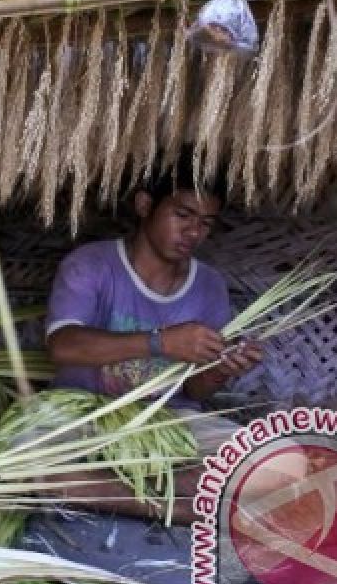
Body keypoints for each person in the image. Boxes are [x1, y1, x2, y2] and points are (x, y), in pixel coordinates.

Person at [39, 153, 272, 523]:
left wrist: (221, 369)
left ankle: (102, 491)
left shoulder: (209, 285)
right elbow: (64, 346)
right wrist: (160, 342)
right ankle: (180, 505)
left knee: (276, 466)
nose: (193, 233)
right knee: (19, 462)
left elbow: (195, 392)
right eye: (182, 215)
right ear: (145, 204)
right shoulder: (91, 264)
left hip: (170, 422)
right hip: (82, 412)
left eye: (205, 223)